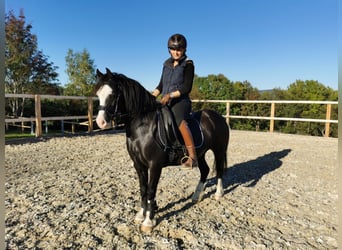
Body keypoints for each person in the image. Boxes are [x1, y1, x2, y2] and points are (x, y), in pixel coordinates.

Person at [152, 33, 198, 170]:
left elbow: (186, 87)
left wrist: (170, 95)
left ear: (184, 49)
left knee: (179, 121)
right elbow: (160, 85)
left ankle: (192, 157)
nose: (176, 52)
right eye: (173, 49)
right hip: (166, 99)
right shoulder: (166, 64)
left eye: (179, 49)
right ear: (169, 49)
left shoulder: (188, 64)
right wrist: (151, 96)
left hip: (181, 101)